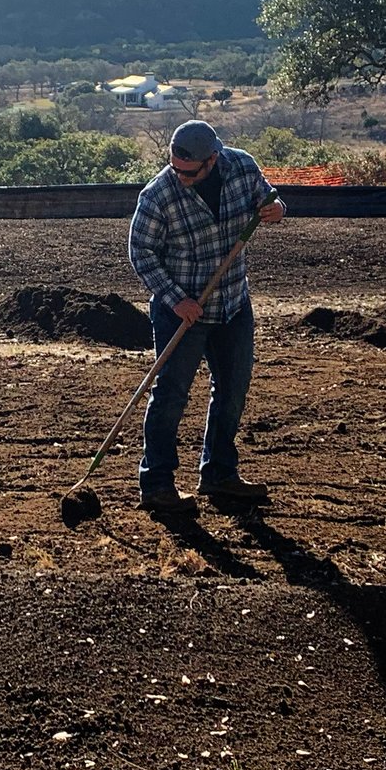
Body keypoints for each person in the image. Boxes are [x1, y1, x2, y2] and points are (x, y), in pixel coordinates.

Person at [128, 120, 286, 516]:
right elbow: (141, 254)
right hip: (181, 311)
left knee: (233, 389)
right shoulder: (157, 196)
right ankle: (157, 482)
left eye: (189, 171)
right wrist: (177, 299)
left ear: (212, 160)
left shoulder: (243, 168)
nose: (179, 176)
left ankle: (218, 473)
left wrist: (276, 209)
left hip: (232, 302)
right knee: (170, 395)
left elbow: (270, 199)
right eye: (175, 167)